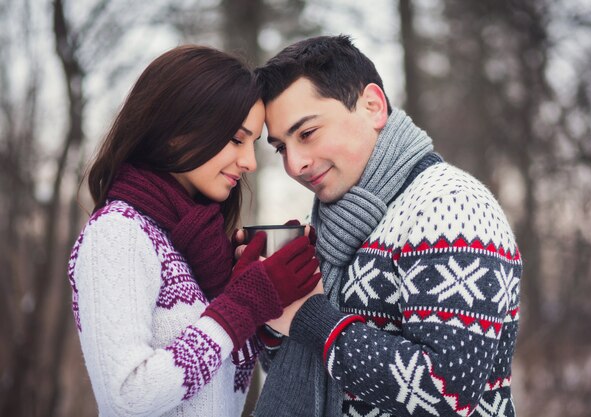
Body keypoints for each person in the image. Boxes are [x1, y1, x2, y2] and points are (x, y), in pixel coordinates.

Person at [252, 35, 522, 417]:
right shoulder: (335, 226)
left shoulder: (451, 205)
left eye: (307, 133)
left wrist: (308, 316)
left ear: (373, 106)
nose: (294, 164)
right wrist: (272, 309)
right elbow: (311, 377)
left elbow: (446, 392)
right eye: (281, 147)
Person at [67, 45, 321, 417]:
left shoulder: (200, 248)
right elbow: (125, 397)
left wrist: (266, 294)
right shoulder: (118, 234)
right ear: (176, 132)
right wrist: (241, 305)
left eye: (253, 144)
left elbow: (220, 376)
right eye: (237, 139)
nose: (249, 162)